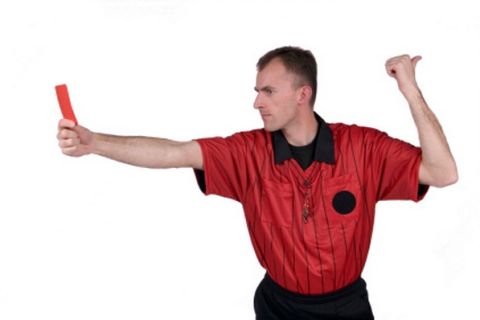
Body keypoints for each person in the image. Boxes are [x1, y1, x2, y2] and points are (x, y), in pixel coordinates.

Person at [57, 46, 458, 319]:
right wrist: (95, 143)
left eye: (268, 91)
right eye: (256, 91)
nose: (256, 102)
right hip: (277, 306)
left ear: (304, 94)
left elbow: (443, 173)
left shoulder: (364, 147)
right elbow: (172, 153)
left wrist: (410, 90)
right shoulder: (247, 153)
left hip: (346, 307)